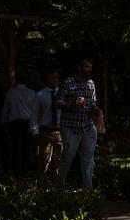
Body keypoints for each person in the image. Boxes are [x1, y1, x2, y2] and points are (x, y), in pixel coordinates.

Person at [56, 58, 98, 190]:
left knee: (88, 159)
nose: (89, 69)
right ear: (79, 67)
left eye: (90, 67)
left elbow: (93, 102)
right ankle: (59, 187)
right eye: (87, 67)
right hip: (70, 126)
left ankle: (88, 189)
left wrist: (96, 111)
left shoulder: (91, 84)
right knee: (68, 157)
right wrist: (72, 103)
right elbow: (57, 102)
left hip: (87, 125)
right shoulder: (67, 83)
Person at [1, 70, 36, 176]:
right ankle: (24, 172)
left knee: (16, 149)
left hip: (15, 124)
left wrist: (4, 122)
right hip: (27, 123)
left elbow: (6, 109)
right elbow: (34, 110)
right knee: (27, 149)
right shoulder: (31, 93)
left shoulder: (11, 92)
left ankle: (17, 172)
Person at [31, 70, 63, 177]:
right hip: (45, 131)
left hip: (60, 131)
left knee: (59, 160)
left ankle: (57, 186)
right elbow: (34, 115)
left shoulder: (63, 94)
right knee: (44, 160)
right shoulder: (40, 95)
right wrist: (35, 132)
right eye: (52, 78)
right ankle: (41, 185)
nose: (54, 80)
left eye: (56, 78)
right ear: (47, 79)